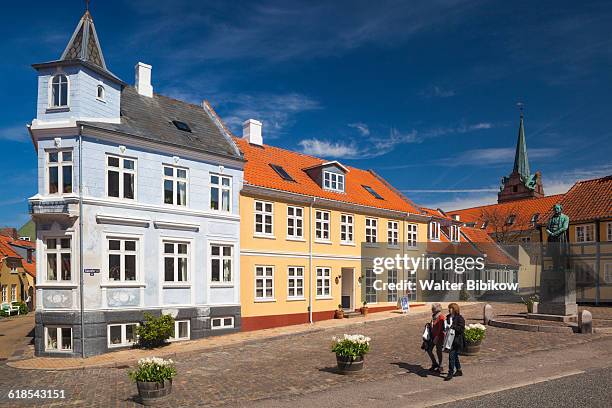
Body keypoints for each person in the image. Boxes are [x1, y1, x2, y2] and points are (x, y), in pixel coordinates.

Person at [444, 302, 465, 380]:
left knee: (451, 355)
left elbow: (461, 329)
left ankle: (450, 372)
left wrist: (453, 327)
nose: (449, 310)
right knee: (454, 355)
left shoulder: (460, 318)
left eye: (451, 308)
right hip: (449, 338)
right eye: (449, 308)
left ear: (454, 309)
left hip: (456, 340)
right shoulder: (448, 317)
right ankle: (459, 370)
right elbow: (446, 326)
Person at [426, 303, 445, 373]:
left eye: (433, 309)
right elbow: (433, 325)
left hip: (439, 337)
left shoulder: (441, 317)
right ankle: (434, 363)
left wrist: (437, 337)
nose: (431, 310)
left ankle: (440, 365)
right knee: (428, 349)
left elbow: (441, 329)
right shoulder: (434, 316)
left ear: (436, 309)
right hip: (432, 336)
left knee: (438, 351)